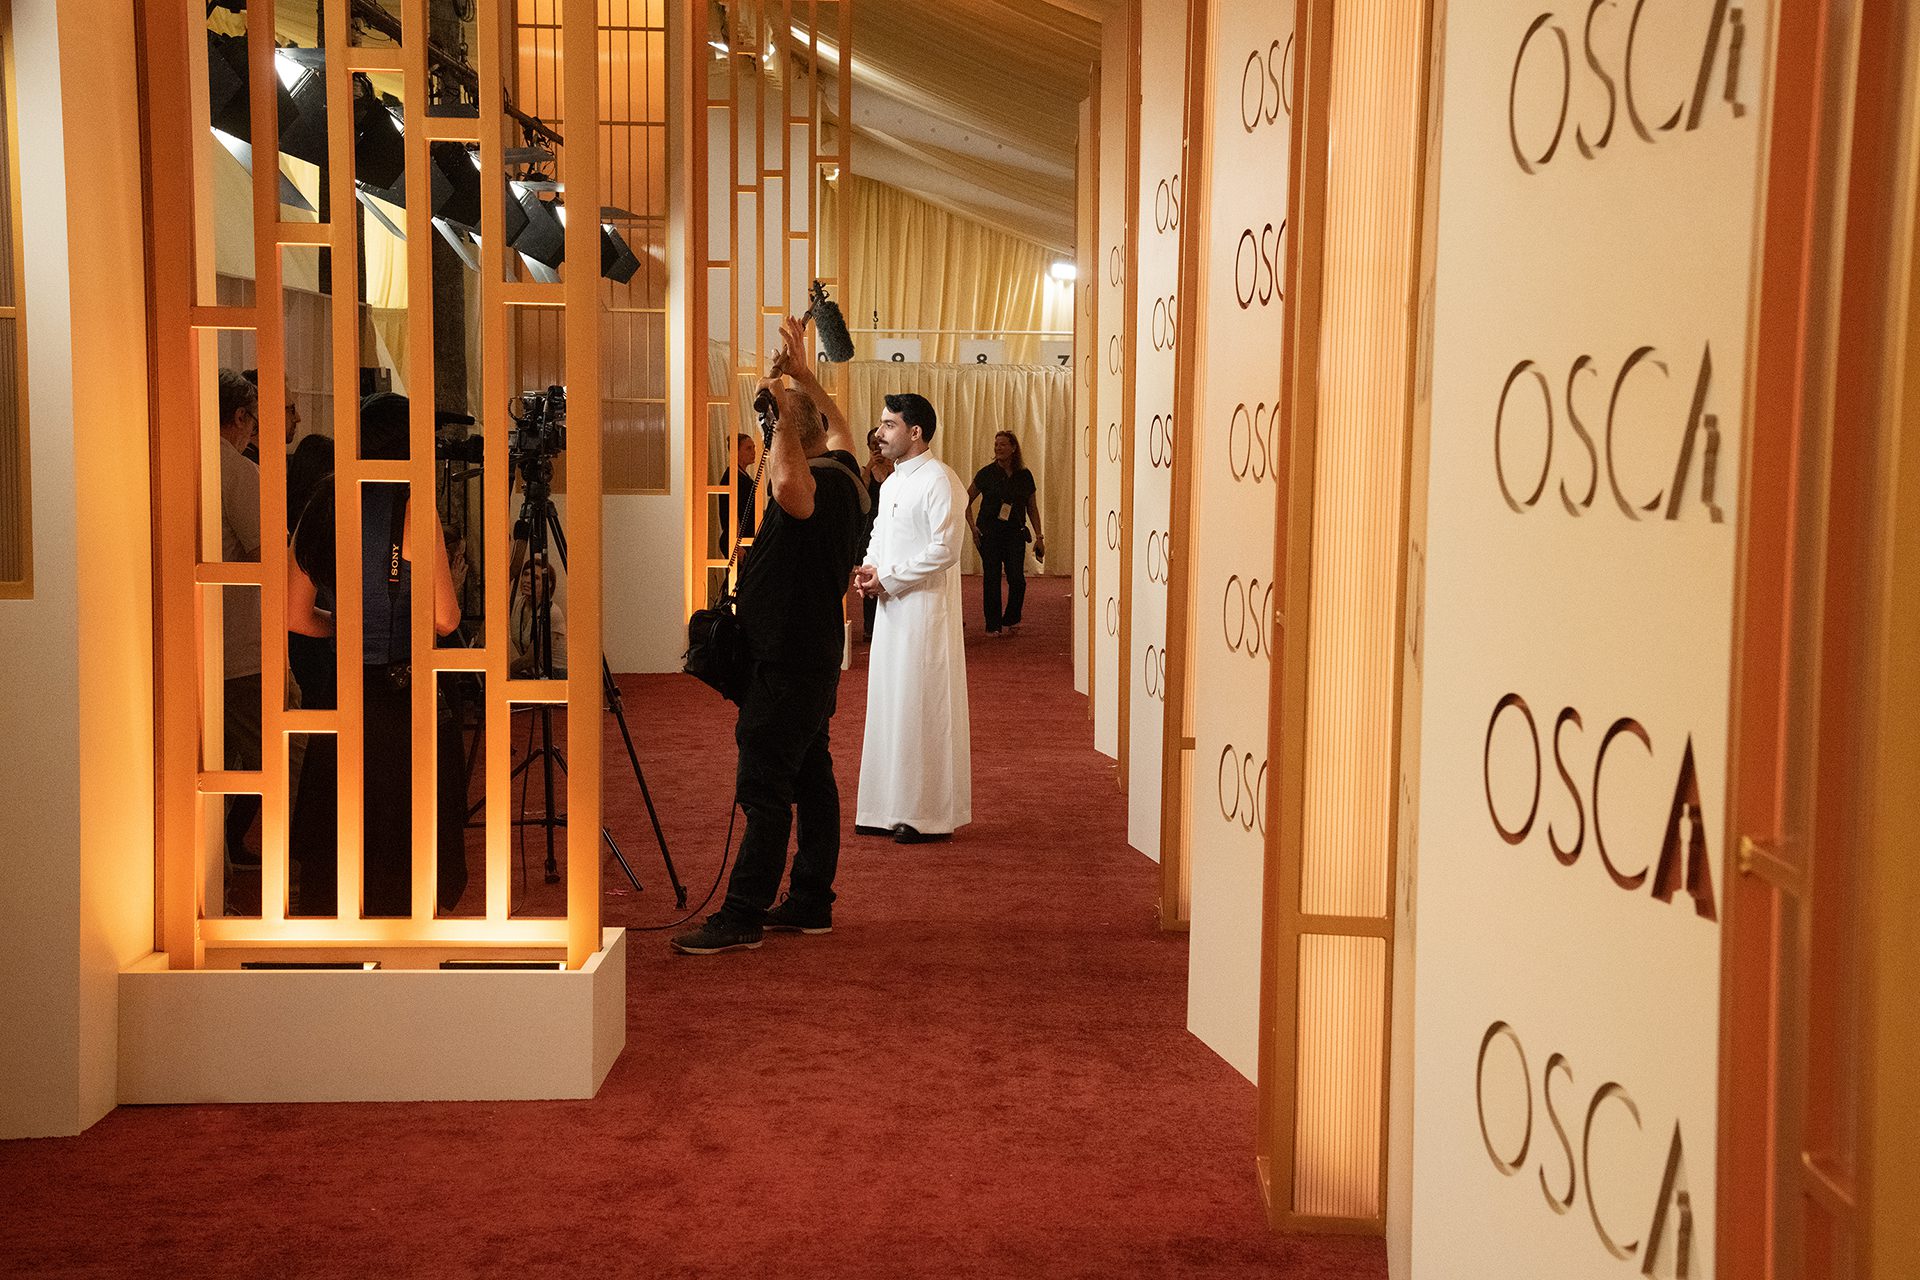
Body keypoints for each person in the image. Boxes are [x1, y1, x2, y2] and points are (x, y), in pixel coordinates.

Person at [672, 315, 865, 956]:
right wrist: (803, 377)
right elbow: (838, 427)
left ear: (786, 434)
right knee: (812, 777)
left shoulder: (814, 485)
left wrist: (778, 410)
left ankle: (743, 913)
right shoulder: (847, 472)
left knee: (764, 787)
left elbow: (786, 484)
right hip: (808, 659)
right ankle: (810, 901)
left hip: (787, 664)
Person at [285, 394, 466, 916]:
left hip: (340, 694)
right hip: (401, 698)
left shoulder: (325, 502)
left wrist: (347, 629)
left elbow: (294, 615)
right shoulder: (413, 508)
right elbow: (446, 618)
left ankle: (336, 939)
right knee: (400, 843)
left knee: (341, 834)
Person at [854, 392, 972, 843]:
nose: (879, 433)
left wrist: (890, 579)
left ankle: (924, 815)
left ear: (915, 431)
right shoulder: (890, 483)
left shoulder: (941, 480)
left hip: (924, 612)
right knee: (889, 704)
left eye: (889, 425)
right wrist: (870, 570)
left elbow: (945, 550)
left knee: (921, 708)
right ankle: (883, 807)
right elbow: (878, 536)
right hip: (891, 609)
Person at [217, 369, 264, 872]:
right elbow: (264, 558)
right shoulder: (238, 471)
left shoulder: (182, 459)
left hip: (198, 642)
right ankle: (314, 871)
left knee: (215, 769)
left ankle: (217, 872)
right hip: (242, 644)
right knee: (286, 757)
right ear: (239, 416)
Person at [966, 430, 1045, 636]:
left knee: (1017, 579)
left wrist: (1039, 536)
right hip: (989, 533)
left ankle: (1012, 617)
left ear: (1013, 448)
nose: (998, 448)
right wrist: (973, 527)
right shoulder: (986, 473)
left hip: (1015, 533)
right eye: (996, 445)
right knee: (991, 578)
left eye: (1002, 444)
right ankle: (993, 625)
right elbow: (966, 500)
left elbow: (1032, 507)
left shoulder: (1024, 475)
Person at [857, 426, 895, 641]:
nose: (877, 448)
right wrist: (870, 466)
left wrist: (890, 469)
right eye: (873, 445)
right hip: (870, 527)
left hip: (892, 524)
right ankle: (869, 627)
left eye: (880, 444)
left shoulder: (896, 469)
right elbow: (861, 496)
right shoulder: (865, 469)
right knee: (869, 572)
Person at [717, 431, 759, 546]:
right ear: (736, 452)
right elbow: (729, 513)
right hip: (739, 541)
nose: (753, 452)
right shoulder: (731, 478)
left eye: (754, 448)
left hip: (748, 537)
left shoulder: (742, 475)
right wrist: (736, 543)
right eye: (748, 449)